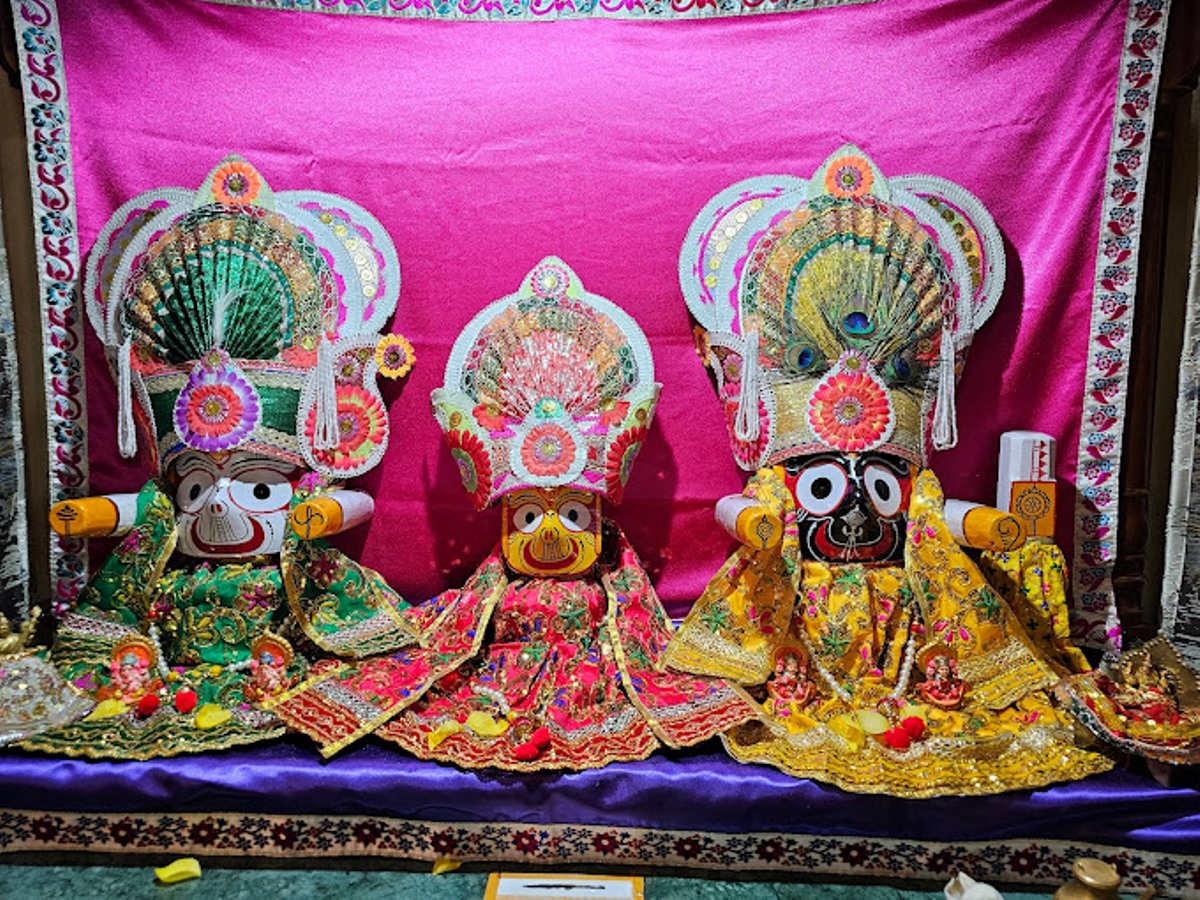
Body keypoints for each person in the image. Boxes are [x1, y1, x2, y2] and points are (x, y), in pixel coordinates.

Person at [663, 145, 1110, 796]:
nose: (855, 507)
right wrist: (755, 521)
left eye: (870, 486)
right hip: (804, 603)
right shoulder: (781, 483)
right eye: (827, 487)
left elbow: (929, 512)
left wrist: (987, 524)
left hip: (903, 608)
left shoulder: (907, 490)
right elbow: (737, 507)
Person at [269, 258, 755, 769]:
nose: (548, 532)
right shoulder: (495, 582)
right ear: (503, 520)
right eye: (527, 516)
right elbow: (460, 625)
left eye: (571, 514)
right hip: (498, 680)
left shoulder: (612, 576)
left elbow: (637, 625)